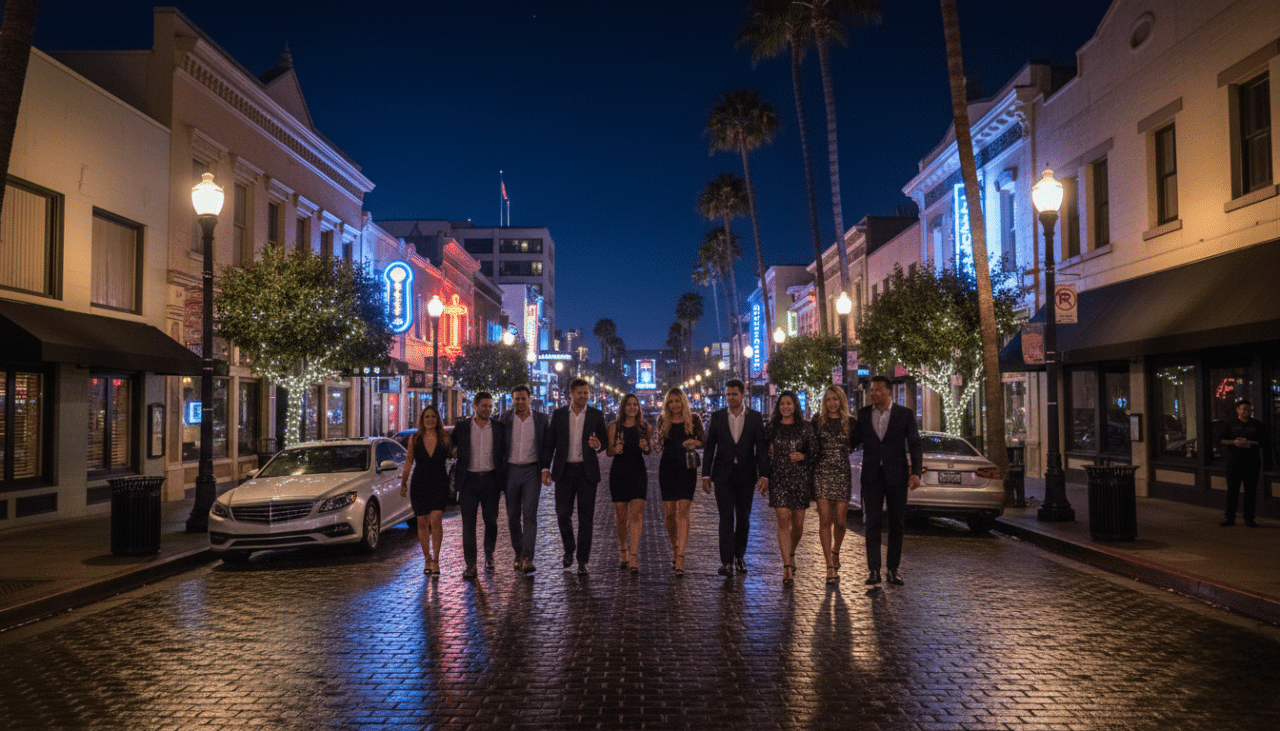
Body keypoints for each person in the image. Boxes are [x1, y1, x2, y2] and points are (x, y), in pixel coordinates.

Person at [851, 375, 922, 587]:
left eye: (877, 390)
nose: (873, 393)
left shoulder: (904, 415)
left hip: (897, 476)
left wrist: (916, 472)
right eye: (871, 390)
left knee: (896, 524)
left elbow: (915, 444)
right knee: (872, 523)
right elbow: (853, 442)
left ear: (889, 392)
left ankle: (893, 569)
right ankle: (874, 570)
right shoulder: (863, 415)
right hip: (872, 477)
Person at [701, 379, 770, 577]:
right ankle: (727, 562)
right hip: (723, 475)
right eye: (728, 394)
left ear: (743, 394)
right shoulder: (718, 417)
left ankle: (739, 556)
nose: (731, 398)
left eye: (734, 394)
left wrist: (764, 474)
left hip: (746, 475)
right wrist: (706, 474)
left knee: (743, 518)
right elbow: (709, 448)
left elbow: (762, 449)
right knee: (725, 518)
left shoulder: (755, 418)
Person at [542, 377, 610, 575]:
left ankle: (582, 560)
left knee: (586, 518)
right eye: (579, 393)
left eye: (586, 393)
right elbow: (549, 443)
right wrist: (545, 468)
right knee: (562, 513)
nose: (583, 396)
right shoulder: (559, 415)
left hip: (586, 472)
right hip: (564, 472)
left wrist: (598, 445)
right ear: (571, 394)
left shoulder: (596, 415)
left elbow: (604, 440)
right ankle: (569, 548)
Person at [451, 392, 509, 580]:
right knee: (469, 525)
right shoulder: (462, 427)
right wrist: (453, 451)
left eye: (490, 406)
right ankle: (471, 565)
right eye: (484, 405)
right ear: (475, 407)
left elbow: (504, 453)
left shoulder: (499, 428)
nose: (487, 409)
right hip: (469, 481)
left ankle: (489, 554)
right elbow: (450, 446)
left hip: (491, 480)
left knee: (491, 521)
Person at [761, 391, 814, 584]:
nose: (785, 407)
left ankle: (791, 552)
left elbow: (815, 452)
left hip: (800, 479)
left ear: (795, 406)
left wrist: (804, 457)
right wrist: (764, 475)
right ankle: (786, 567)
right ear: (778, 407)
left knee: (798, 525)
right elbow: (762, 454)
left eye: (789, 404)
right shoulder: (772, 428)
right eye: (782, 404)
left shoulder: (806, 428)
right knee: (783, 520)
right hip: (779, 478)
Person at [499, 384, 550, 573]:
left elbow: (546, 446)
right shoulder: (505, 418)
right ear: (512, 400)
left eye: (523, 398)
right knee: (512, 516)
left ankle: (528, 557)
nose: (520, 402)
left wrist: (545, 468)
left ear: (530, 399)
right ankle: (518, 552)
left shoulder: (541, 420)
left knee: (529, 515)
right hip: (511, 470)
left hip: (531, 472)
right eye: (516, 399)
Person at [655, 387, 704, 577]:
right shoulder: (662, 420)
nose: (675, 405)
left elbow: (703, 441)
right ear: (667, 404)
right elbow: (660, 443)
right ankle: (675, 547)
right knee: (669, 514)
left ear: (683, 401)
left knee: (684, 511)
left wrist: (694, 443)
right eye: (671, 402)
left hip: (686, 469)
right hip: (667, 468)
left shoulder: (694, 419)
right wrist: (656, 447)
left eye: (678, 401)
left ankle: (681, 556)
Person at [400, 405, 451, 577]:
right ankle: (427, 558)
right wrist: (404, 482)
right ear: (422, 419)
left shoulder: (444, 437)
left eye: (433, 417)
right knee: (421, 522)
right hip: (420, 483)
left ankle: (436, 559)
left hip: (439, 482)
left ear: (437, 420)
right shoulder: (414, 438)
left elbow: (456, 454)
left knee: (435, 520)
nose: (430, 420)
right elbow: (408, 461)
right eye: (427, 417)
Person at [812, 385, 855, 585]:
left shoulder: (851, 423)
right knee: (824, 521)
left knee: (840, 521)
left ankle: (836, 550)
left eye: (835, 399)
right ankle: (829, 565)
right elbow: (809, 444)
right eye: (828, 399)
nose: (832, 403)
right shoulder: (817, 422)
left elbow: (857, 443)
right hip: (821, 473)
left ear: (841, 400)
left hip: (842, 474)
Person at [606, 393, 652, 573]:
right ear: (623, 407)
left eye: (635, 405)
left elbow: (648, 450)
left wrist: (646, 447)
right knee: (621, 515)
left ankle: (634, 554)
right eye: (629, 405)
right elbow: (609, 452)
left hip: (638, 472)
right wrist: (615, 449)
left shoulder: (644, 426)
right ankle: (623, 547)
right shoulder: (614, 426)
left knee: (637, 514)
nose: (632, 407)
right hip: (619, 472)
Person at [1217, 398, 1272, 527]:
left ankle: (1249, 518)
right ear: (1238, 410)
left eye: (1248, 410)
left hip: (1251, 463)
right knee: (1232, 491)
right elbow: (1220, 440)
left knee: (1250, 492)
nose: (1246, 412)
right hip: (1233, 463)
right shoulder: (1230, 424)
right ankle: (1229, 517)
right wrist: (1233, 442)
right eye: (1243, 409)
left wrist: (1251, 444)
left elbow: (1265, 442)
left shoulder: (1257, 425)